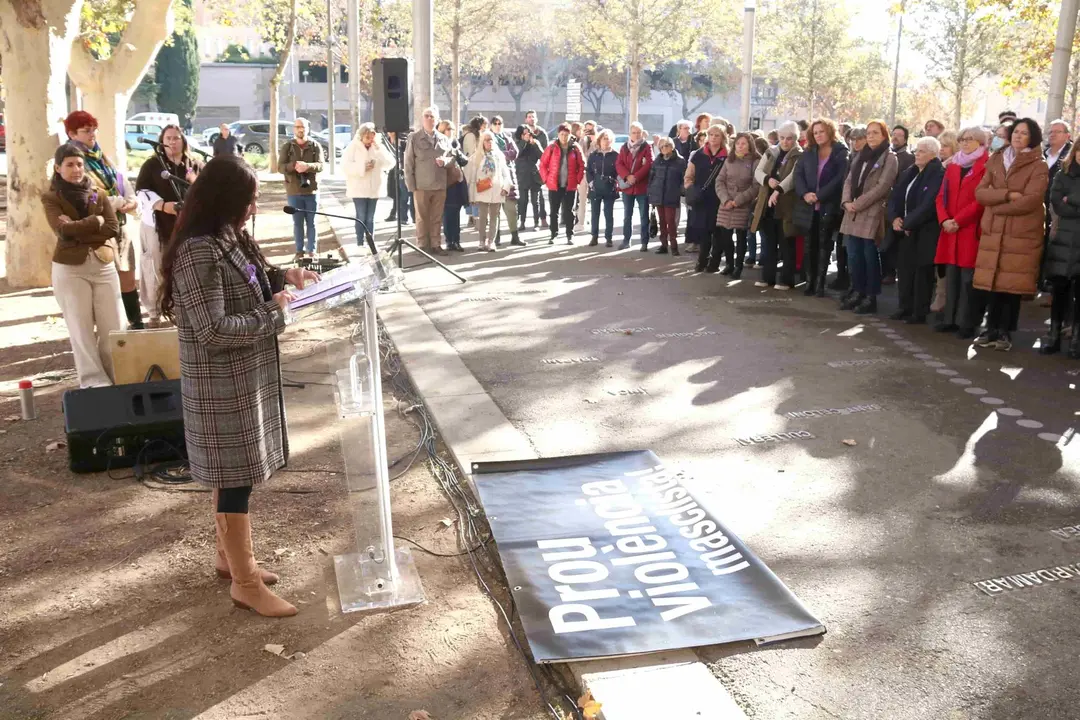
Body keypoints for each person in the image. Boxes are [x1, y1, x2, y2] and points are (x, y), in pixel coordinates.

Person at [159, 155, 319, 618]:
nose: (252, 208)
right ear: (222, 200)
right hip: (220, 387)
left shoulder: (227, 234)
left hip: (241, 380)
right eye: (247, 200)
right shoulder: (197, 250)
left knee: (236, 478)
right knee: (235, 481)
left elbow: (250, 277)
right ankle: (245, 583)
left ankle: (229, 558)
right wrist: (274, 314)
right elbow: (211, 330)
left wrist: (285, 277)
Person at [42, 144, 125, 388]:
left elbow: (113, 227)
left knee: (114, 326)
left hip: (104, 264)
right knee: (82, 329)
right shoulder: (50, 198)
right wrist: (95, 221)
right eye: (69, 164)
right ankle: (93, 382)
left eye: (79, 164)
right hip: (70, 268)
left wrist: (80, 227)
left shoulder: (98, 193)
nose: (76, 169)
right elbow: (62, 231)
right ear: (58, 168)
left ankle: (116, 376)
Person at [972, 118, 1049, 351]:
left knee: (1011, 285)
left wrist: (996, 204)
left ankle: (1005, 332)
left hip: (1021, 233)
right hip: (995, 230)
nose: (1018, 136)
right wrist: (1006, 196)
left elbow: (1030, 200)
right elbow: (981, 193)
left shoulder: (1038, 164)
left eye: (1024, 133)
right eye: (1016, 132)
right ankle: (990, 328)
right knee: (993, 283)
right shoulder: (996, 158)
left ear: (1032, 137)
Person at [64, 111, 142, 330]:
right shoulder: (72, 159)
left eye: (93, 129)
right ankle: (115, 330)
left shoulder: (100, 155)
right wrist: (116, 203)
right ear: (71, 133)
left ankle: (136, 325)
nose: (92, 134)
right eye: (86, 130)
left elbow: (120, 179)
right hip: (98, 229)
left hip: (120, 224)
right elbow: (85, 194)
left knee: (128, 276)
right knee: (108, 282)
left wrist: (132, 200)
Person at [136, 124, 202, 326]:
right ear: (161, 141)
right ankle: (154, 313)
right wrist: (163, 206)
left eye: (176, 138)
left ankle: (183, 309)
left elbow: (205, 191)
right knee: (155, 266)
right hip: (158, 224)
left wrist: (195, 181)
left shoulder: (195, 164)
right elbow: (141, 192)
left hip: (187, 227)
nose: (172, 142)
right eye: (168, 138)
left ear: (184, 141)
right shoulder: (153, 165)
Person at [840, 119, 899, 315]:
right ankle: (857, 290)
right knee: (854, 255)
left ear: (884, 136)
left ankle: (870, 296)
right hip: (852, 211)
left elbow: (882, 187)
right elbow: (849, 180)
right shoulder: (860, 155)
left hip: (871, 212)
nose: (871, 136)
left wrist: (858, 204)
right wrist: (847, 201)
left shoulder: (890, 158)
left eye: (875, 133)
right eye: (869, 133)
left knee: (869, 256)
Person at [934, 127, 988, 337]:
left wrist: (958, 220)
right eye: (962, 139)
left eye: (970, 139)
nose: (965, 143)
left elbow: (980, 200)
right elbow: (941, 196)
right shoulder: (954, 165)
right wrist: (944, 219)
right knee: (952, 277)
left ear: (981, 142)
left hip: (969, 229)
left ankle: (967, 322)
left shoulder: (986, 165)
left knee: (968, 280)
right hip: (950, 229)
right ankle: (950, 319)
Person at [888, 136, 946, 324]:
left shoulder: (937, 173)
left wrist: (908, 223)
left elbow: (928, 204)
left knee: (922, 274)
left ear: (932, 154)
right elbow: (896, 196)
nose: (916, 154)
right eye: (916, 150)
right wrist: (894, 218)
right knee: (905, 270)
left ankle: (918, 312)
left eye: (921, 151)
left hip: (925, 231)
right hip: (906, 230)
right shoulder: (910, 172)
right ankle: (904, 307)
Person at [794, 118, 850, 297]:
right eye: (815, 132)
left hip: (829, 205)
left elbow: (840, 178)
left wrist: (820, 195)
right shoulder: (809, 151)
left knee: (825, 245)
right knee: (810, 245)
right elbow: (798, 175)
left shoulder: (841, 152)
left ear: (830, 132)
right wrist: (805, 194)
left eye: (822, 132)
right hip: (809, 205)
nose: (818, 135)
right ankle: (809, 282)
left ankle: (819, 284)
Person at [751, 122, 802, 288]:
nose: (785, 142)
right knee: (769, 243)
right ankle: (767, 277)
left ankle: (786, 280)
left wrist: (778, 189)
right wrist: (767, 180)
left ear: (795, 138)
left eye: (789, 138)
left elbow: (793, 177)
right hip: (768, 204)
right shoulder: (771, 151)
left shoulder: (800, 154)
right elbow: (758, 172)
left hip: (787, 205)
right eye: (782, 138)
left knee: (786, 243)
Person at [1044, 140, 1080, 356]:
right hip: (1063, 243)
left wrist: (1072, 199)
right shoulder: (1062, 174)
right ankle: (1053, 336)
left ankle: (1076, 341)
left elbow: (1067, 202)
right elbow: (1057, 203)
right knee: (1060, 292)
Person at [404, 106, 454, 255]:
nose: (429, 119)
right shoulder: (414, 138)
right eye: (426, 116)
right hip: (421, 186)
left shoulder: (444, 139)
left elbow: (452, 158)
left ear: (437, 120)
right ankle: (422, 245)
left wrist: (445, 161)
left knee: (436, 217)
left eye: (432, 117)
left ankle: (436, 244)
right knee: (422, 218)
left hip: (439, 185)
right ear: (422, 119)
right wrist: (411, 186)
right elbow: (408, 163)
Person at [713, 132, 761, 278]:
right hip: (726, 203)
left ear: (750, 145)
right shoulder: (729, 160)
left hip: (742, 204)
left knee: (741, 238)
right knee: (725, 237)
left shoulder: (755, 161)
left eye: (743, 143)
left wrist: (738, 201)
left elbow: (755, 185)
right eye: (738, 143)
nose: (740, 146)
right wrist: (725, 199)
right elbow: (719, 181)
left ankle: (738, 266)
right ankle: (729, 264)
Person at [341, 122, 395, 250]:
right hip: (358, 188)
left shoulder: (377, 147)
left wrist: (379, 149)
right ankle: (360, 242)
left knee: (370, 217)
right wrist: (362, 167)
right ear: (361, 136)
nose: (370, 141)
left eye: (372, 138)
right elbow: (345, 166)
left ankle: (371, 242)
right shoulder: (353, 147)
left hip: (374, 188)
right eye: (367, 138)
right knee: (361, 216)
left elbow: (390, 163)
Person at [278, 118, 324, 261]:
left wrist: (307, 166)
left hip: (311, 191)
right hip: (294, 190)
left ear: (308, 128)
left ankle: (312, 251)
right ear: (294, 129)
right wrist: (294, 166)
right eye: (298, 127)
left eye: (303, 127)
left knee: (312, 223)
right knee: (298, 223)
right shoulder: (288, 146)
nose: (300, 129)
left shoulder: (315, 145)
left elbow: (321, 165)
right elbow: (280, 167)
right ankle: (299, 251)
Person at [686, 124, 728, 270]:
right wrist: (691, 190)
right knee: (703, 231)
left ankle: (715, 262)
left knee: (718, 232)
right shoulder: (698, 154)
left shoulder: (728, 155)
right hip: (701, 199)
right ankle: (702, 260)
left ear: (723, 138)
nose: (713, 138)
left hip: (719, 199)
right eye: (711, 135)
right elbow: (689, 175)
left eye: (717, 135)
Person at [465, 130, 513, 252]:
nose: (489, 142)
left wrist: (505, 188)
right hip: (481, 191)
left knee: (494, 217)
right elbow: (471, 176)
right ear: (482, 142)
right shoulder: (476, 157)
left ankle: (491, 242)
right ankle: (481, 241)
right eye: (486, 139)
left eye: (491, 139)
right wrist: (472, 195)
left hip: (497, 191)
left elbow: (506, 174)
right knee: (481, 217)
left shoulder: (499, 156)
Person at [538, 123, 585, 245]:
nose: (564, 137)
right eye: (562, 134)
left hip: (570, 185)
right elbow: (543, 164)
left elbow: (582, 165)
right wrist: (546, 179)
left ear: (570, 135)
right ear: (558, 134)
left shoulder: (575, 147)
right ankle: (553, 234)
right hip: (555, 185)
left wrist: (578, 180)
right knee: (554, 211)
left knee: (569, 212)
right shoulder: (552, 147)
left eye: (566, 134)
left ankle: (570, 235)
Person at [881, 124, 916, 285]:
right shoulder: (885, 154)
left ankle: (890, 272)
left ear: (905, 139)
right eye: (893, 134)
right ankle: (884, 271)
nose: (895, 137)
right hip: (883, 201)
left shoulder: (909, 158)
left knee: (893, 241)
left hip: (897, 203)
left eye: (899, 135)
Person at [616, 122, 654, 250]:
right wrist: (627, 176)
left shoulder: (646, 147)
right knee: (627, 215)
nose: (636, 135)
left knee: (644, 216)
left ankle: (644, 242)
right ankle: (626, 240)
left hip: (642, 187)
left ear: (642, 133)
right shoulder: (624, 147)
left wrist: (636, 177)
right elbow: (619, 164)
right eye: (634, 132)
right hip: (628, 188)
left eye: (639, 132)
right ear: (630, 134)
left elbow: (649, 164)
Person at [647, 136, 687, 256]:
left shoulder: (680, 161)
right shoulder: (657, 160)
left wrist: (679, 191)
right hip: (659, 195)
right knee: (662, 221)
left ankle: (674, 246)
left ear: (672, 146)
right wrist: (651, 191)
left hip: (671, 194)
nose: (664, 148)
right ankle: (663, 245)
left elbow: (684, 178)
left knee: (671, 221)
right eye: (662, 146)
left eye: (667, 145)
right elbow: (652, 177)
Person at [491, 116, 523, 247]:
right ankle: (495, 238)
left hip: (508, 177)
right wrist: (504, 154)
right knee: (495, 211)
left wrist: (500, 154)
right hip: (493, 178)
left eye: (500, 123)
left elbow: (514, 153)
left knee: (511, 209)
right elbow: (489, 154)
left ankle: (515, 237)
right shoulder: (488, 138)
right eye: (495, 123)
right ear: (491, 125)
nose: (498, 125)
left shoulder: (507, 138)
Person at [587, 128, 620, 247]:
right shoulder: (594, 155)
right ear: (599, 140)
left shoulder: (616, 155)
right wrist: (591, 183)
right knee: (595, 214)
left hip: (609, 187)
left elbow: (619, 171)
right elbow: (589, 171)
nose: (606, 141)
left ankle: (609, 237)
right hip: (595, 187)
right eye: (604, 139)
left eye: (608, 139)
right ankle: (594, 236)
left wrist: (615, 181)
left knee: (608, 213)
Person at [440, 120, 469, 252]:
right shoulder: (439, 144)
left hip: (457, 183)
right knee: (447, 214)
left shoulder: (455, 144)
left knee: (456, 214)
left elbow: (464, 161)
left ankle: (456, 240)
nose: (451, 131)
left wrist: (456, 152)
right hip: (446, 184)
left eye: (452, 129)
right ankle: (449, 241)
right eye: (448, 129)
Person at [1044, 119, 1072, 255]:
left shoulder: (1072, 156)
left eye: (1057, 132)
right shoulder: (1042, 155)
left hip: (1059, 212)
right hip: (1039, 211)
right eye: (1050, 132)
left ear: (1068, 136)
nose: (1052, 135)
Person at [514, 125, 545, 230]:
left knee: (535, 201)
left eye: (528, 133)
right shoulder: (518, 143)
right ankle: (522, 222)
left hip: (534, 175)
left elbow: (542, 156)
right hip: (522, 176)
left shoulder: (535, 143)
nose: (527, 135)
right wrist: (524, 142)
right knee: (523, 200)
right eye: (524, 133)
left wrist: (534, 144)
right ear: (520, 135)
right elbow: (517, 154)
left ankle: (536, 223)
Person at [523, 109, 550, 227]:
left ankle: (543, 218)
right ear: (526, 119)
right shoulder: (522, 132)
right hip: (524, 169)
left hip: (538, 167)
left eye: (533, 117)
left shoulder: (542, 133)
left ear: (536, 119)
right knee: (523, 197)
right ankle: (522, 221)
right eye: (529, 117)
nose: (531, 119)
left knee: (539, 196)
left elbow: (546, 153)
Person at [384, 131, 413, 224]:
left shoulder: (403, 140)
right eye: (389, 131)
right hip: (392, 170)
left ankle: (404, 217)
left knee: (404, 195)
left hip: (403, 170)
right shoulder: (387, 141)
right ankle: (395, 214)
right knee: (396, 193)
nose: (390, 133)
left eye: (392, 131)